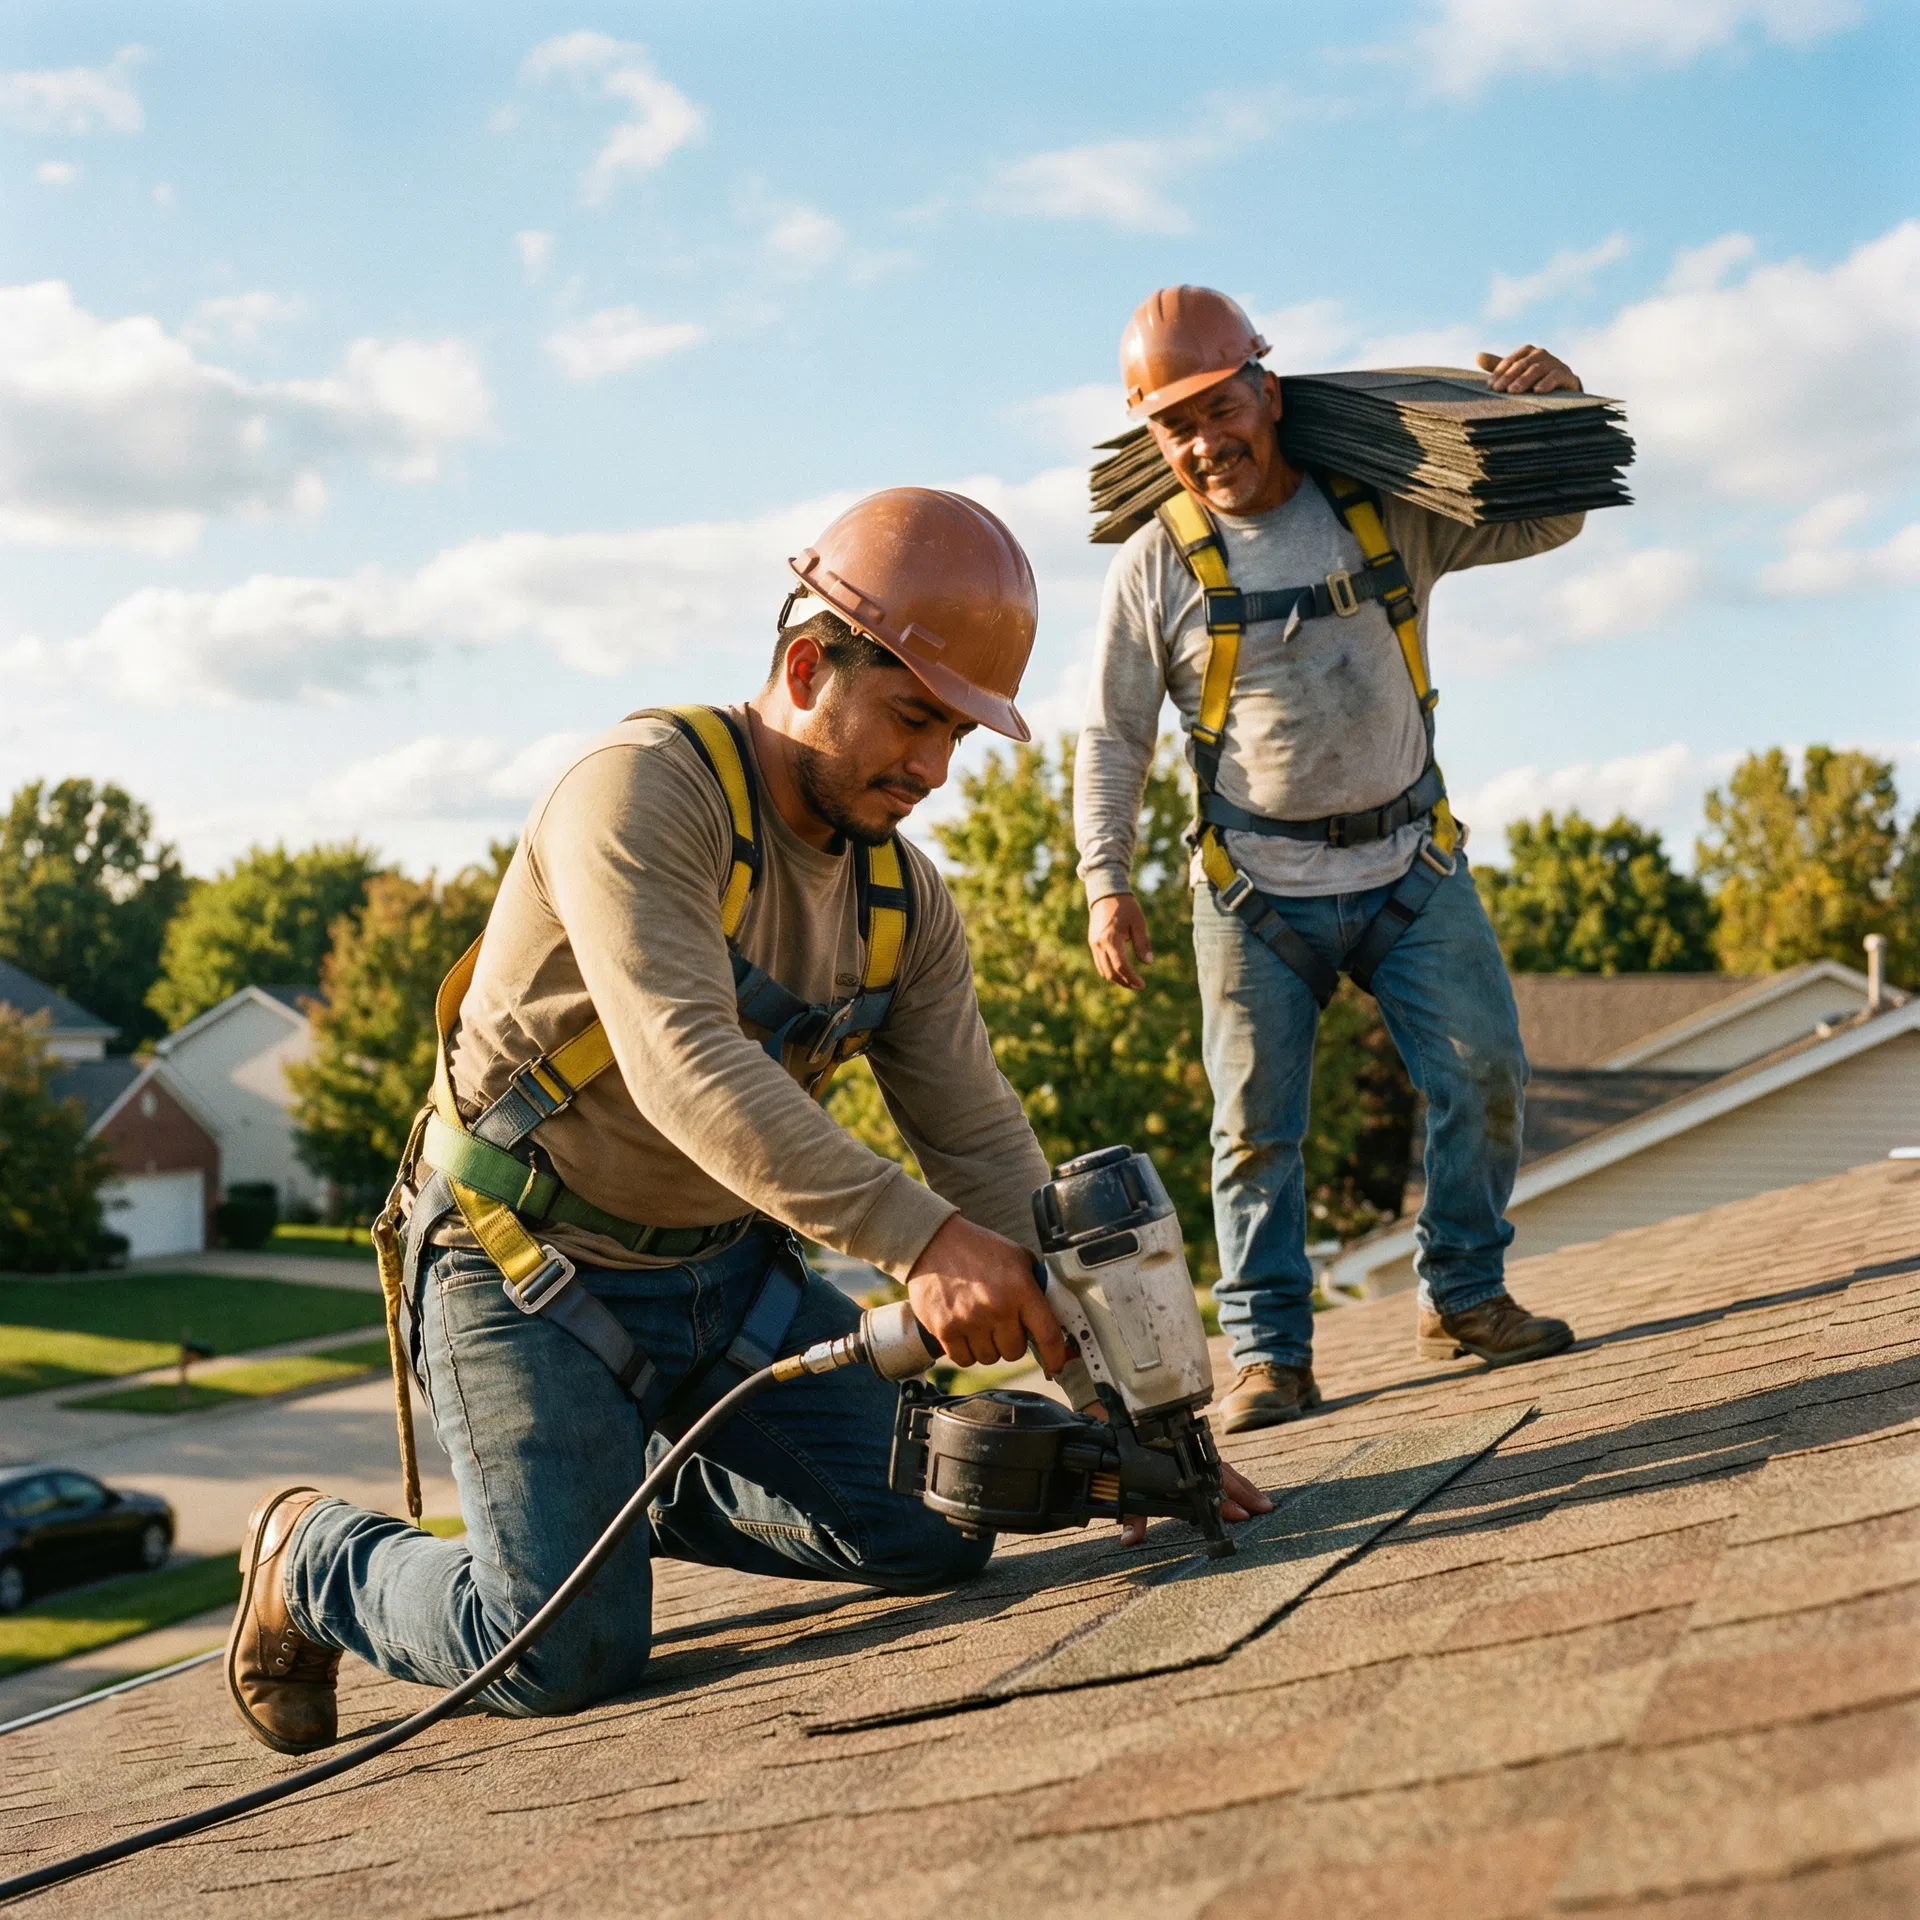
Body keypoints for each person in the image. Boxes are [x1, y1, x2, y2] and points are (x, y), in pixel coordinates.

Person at [227, 486, 1268, 1754]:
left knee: (945, 1521)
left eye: (957, 735)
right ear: (803, 666)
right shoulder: (641, 797)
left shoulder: (904, 903)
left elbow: (982, 1141)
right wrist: (924, 1247)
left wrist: (1117, 1395)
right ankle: (313, 1558)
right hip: (526, 1267)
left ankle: (611, 1493)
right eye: (910, 717)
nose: (933, 769)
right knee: (563, 1648)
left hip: (728, 1277)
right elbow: (683, 1061)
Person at [1076, 286, 1584, 1436]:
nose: (1207, 443)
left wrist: (1544, 417)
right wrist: (1105, 881)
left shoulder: (1381, 510)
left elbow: (1546, 522)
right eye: (1175, 425)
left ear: (1267, 384)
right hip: (1255, 893)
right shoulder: (1155, 566)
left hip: (1411, 863)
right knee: (1253, 1129)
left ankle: (1462, 1296)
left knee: (1488, 1074)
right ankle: (1269, 1355)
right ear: (1151, 437)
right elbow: (1113, 736)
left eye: (1220, 406)